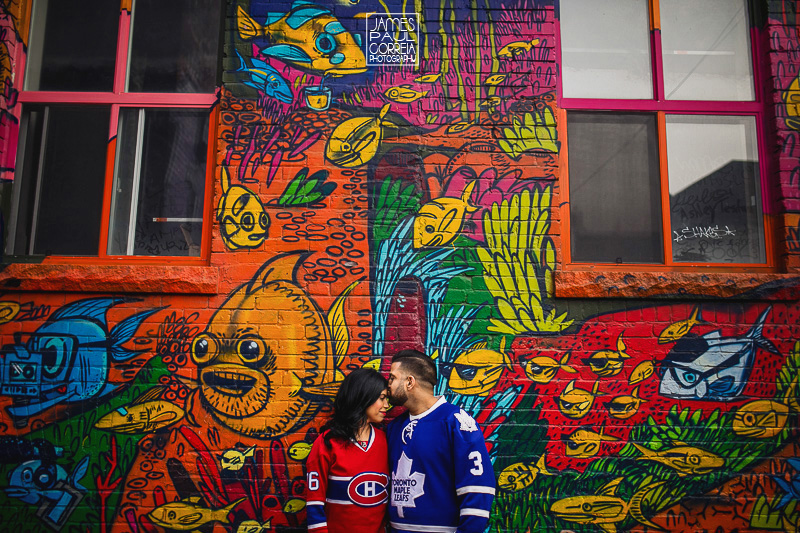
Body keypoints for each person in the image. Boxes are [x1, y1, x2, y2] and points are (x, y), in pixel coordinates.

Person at [386, 349, 495, 533]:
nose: (387, 384)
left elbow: (478, 489)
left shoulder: (456, 422)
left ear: (410, 382)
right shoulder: (395, 427)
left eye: (392, 378)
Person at [306, 368, 391, 533]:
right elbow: (314, 504)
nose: (386, 405)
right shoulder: (327, 443)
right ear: (363, 397)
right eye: (381, 398)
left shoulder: (387, 441)